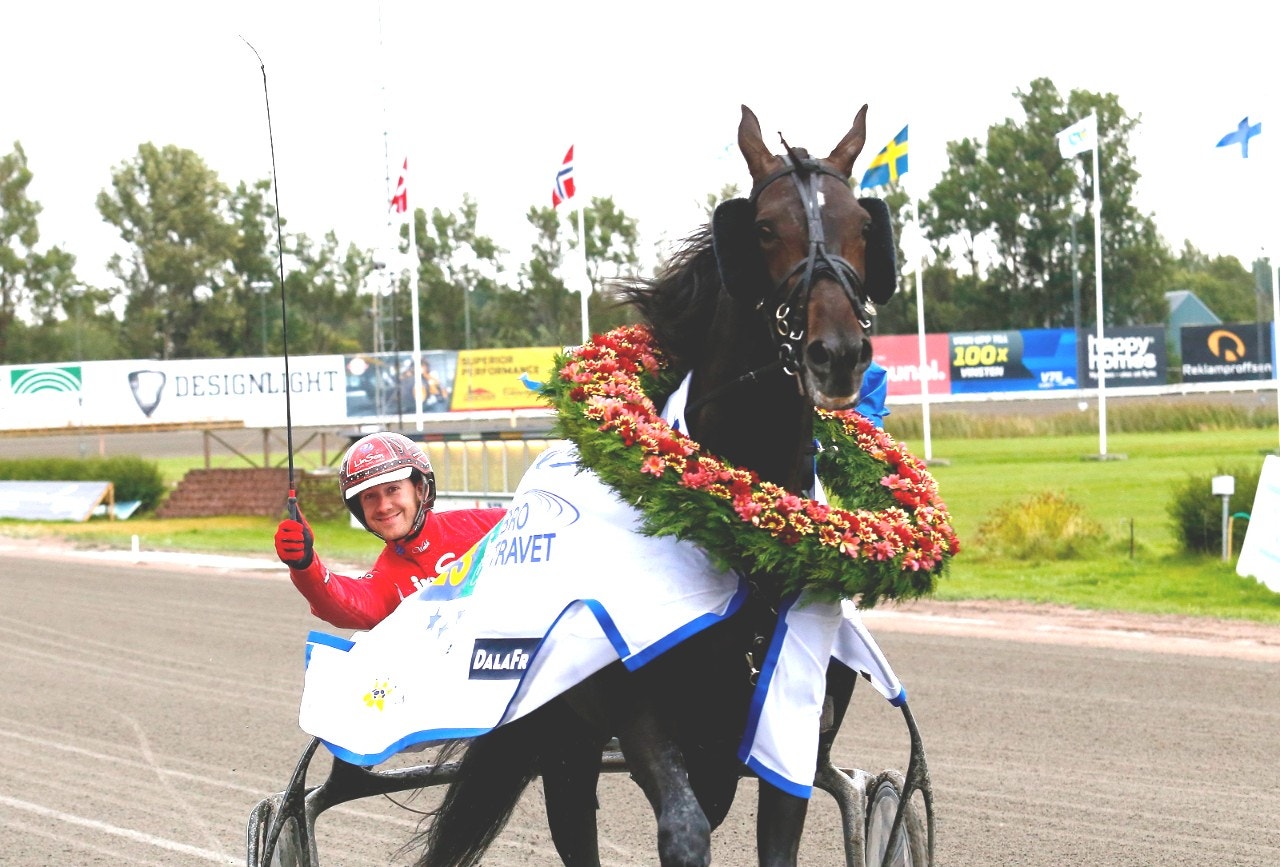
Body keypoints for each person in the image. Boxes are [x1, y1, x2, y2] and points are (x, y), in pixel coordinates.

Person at [273, 431, 506, 629]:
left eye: (393, 489)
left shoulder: (490, 525)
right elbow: (341, 603)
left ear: (419, 489)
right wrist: (305, 565)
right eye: (370, 497)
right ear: (359, 509)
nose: (383, 506)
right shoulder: (385, 580)